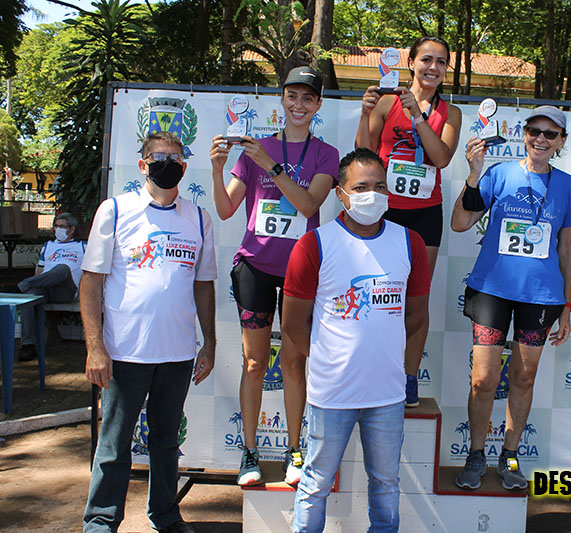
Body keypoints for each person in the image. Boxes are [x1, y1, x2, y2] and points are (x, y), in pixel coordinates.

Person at [282, 148, 430, 532]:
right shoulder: (314, 244)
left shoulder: (410, 242)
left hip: (387, 393)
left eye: (379, 186)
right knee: (315, 482)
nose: (372, 195)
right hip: (332, 393)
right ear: (340, 194)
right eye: (361, 187)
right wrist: (329, 356)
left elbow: (416, 314)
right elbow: (293, 323)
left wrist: (383, 348)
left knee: (385, 483)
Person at [209, 66, 339, 486]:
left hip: (301, 271)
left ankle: (294, 450)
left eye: (307, 98)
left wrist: (272, 166)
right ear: (282, 99)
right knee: (253, 363)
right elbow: (226, 210)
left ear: (318, 105)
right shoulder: (255, 149)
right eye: (292, 96)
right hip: (256, 268)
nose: (299, 105)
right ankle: (249, 453)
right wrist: (217, 170)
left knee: (294, 363)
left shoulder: (325, 154)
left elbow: (308, 205)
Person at [81, 131, 217, 533]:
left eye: (176, 158)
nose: (168, 164)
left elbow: (204, 284)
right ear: (143, 165)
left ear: (184, 167)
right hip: (125, 353)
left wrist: (209, 342)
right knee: (114, 444)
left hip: (177, 353)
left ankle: (166, 514)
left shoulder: (198, 218)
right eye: (159, 158)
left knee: (166, 442)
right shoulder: (115, 210)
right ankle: (101, 520)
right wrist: (95, 347)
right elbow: (91, 282)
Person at [450, 105, 571, 491]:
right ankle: (476, 453)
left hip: (540, 296)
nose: (541, 139)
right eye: (534, 130)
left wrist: (567, 306)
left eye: (550, 134)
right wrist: (474, 175)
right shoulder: (499, 174)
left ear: (561, 142)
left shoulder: (567, 185)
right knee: (483, 378)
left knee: (523, 376)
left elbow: (567, 248)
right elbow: (460, 223)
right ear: (524, 134)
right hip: (492, 290)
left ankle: (510, 453)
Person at [356, 36, 462, 408]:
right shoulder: (387, 102)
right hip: (384, 208)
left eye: (441, 62)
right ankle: (372, 370)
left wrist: (418, 115)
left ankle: (409, 376)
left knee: (417, 297)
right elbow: (364, 153)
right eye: (426, 59)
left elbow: (441, 157)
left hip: (425, 212)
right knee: (376, 290)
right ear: (411, 63)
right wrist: (365, 114)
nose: (433, 67)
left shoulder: (450, 112)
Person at [16, 212, 85, 361]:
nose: (57, 229)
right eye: (56, 226)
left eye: (61, 226)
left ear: (72, 229)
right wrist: (34, 287)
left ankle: (20, 288)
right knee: (30, 297)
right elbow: (39, 273)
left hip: (66, 291)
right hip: (46, 289)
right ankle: (28, 345)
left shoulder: (82, 246)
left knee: (62, 268)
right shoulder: (48, 246)